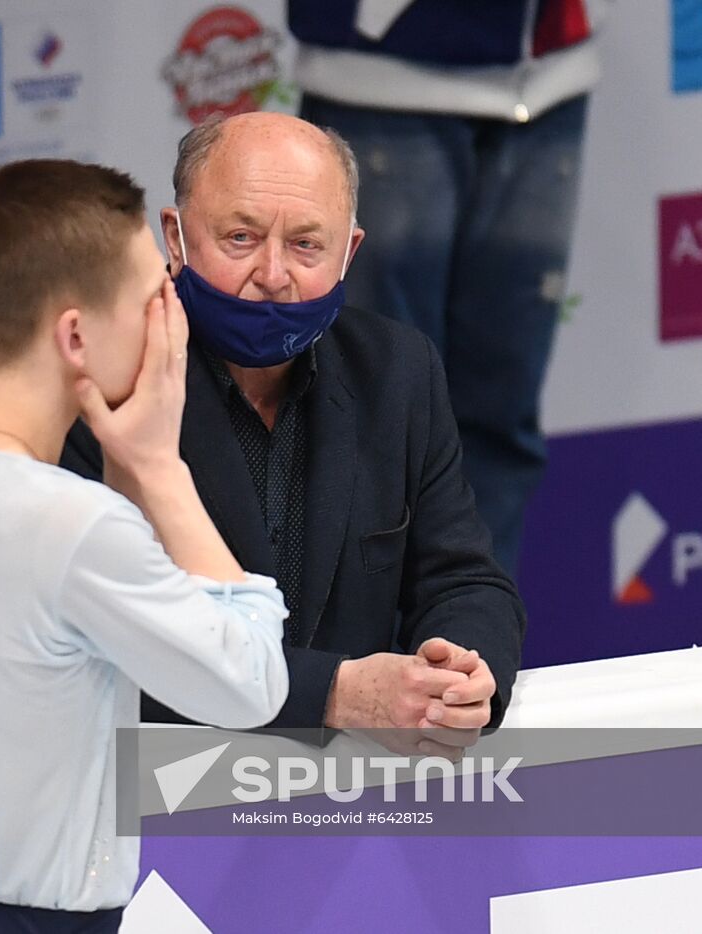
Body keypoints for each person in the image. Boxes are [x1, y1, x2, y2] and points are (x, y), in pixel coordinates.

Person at [0, 159, 288, 931]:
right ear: (75, 336)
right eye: (155, 297)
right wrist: (159, 466)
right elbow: (252, 683)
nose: (173, 319)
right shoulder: (69, 528)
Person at [62, 112, 527, 752]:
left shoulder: (397, 370)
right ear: (175, 237)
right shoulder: (99, 384)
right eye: (241, 237)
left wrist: (463, 675)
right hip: (156, 797)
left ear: (349, 253)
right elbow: (92, 639)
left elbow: (465, 580)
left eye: (307, 245)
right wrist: (336, 693)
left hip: (352, 802)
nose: (274, 275)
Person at [288, 0, 611, 576]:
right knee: (371, 420)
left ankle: (477, 642)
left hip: (552, 73)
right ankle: (368, 655)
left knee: (501, 418)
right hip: (380, 76)